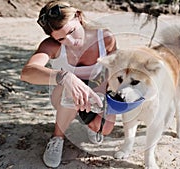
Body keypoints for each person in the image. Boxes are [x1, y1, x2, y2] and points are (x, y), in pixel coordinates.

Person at [20, 0, 117, 168]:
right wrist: (64, 77)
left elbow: (115, 68)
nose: (71, 41)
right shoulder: (51, 45)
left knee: (105, 129)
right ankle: (57, 137)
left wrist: (102, 90)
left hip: (95, 90)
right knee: (69, 87)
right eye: (62, 38)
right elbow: (27, 73)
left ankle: (88, 121)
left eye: (72, 31)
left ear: (79, 17)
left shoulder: (105, 37)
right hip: (63, 95)